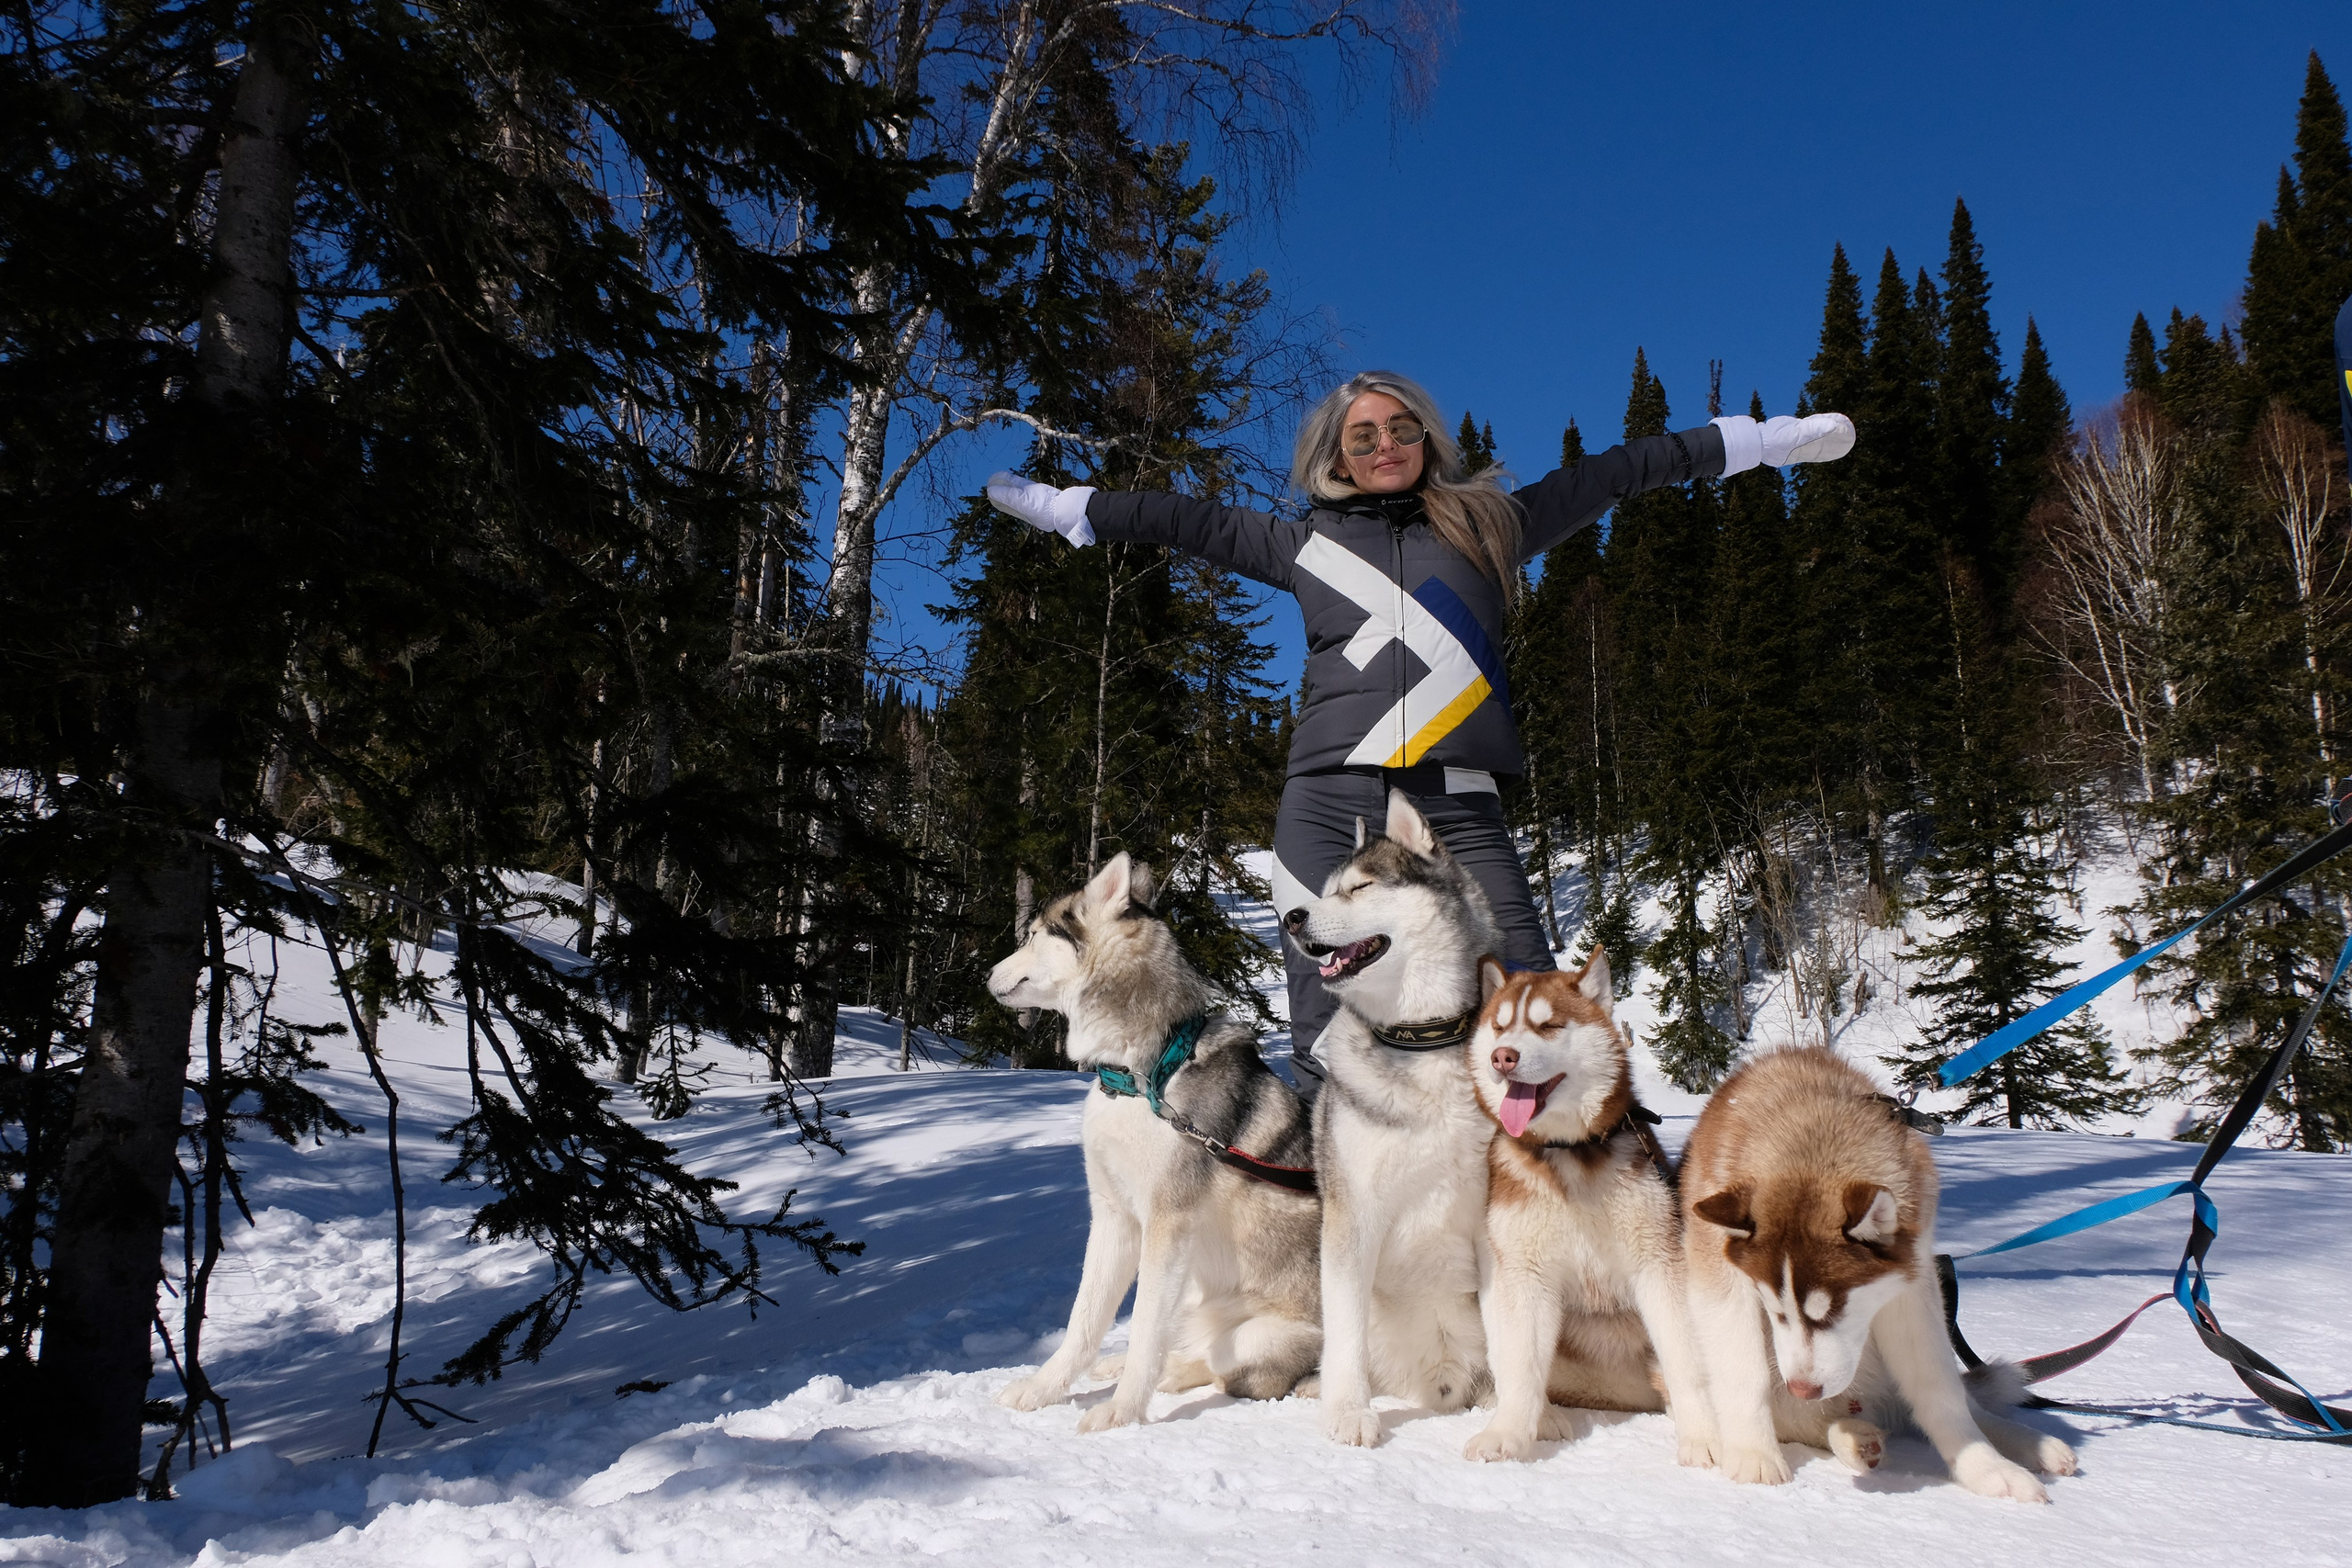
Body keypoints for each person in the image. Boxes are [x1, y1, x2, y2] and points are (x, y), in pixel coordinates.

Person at [985, 370, 1853, 1096]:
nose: (1384, 445)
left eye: (1399, 427)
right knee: (1325, 1021)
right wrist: (1079, 510)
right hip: (1322, 803)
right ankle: (1334, 1227)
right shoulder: (1303, 545)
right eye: (1361, 437)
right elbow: (1186, 521)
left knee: (1532, 996)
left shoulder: (1491, 527)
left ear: (1427, 437)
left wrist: (1764, 443)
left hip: (1455, 806)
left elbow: (1623, 470)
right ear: (1335, 457)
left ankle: (1585, 1185)